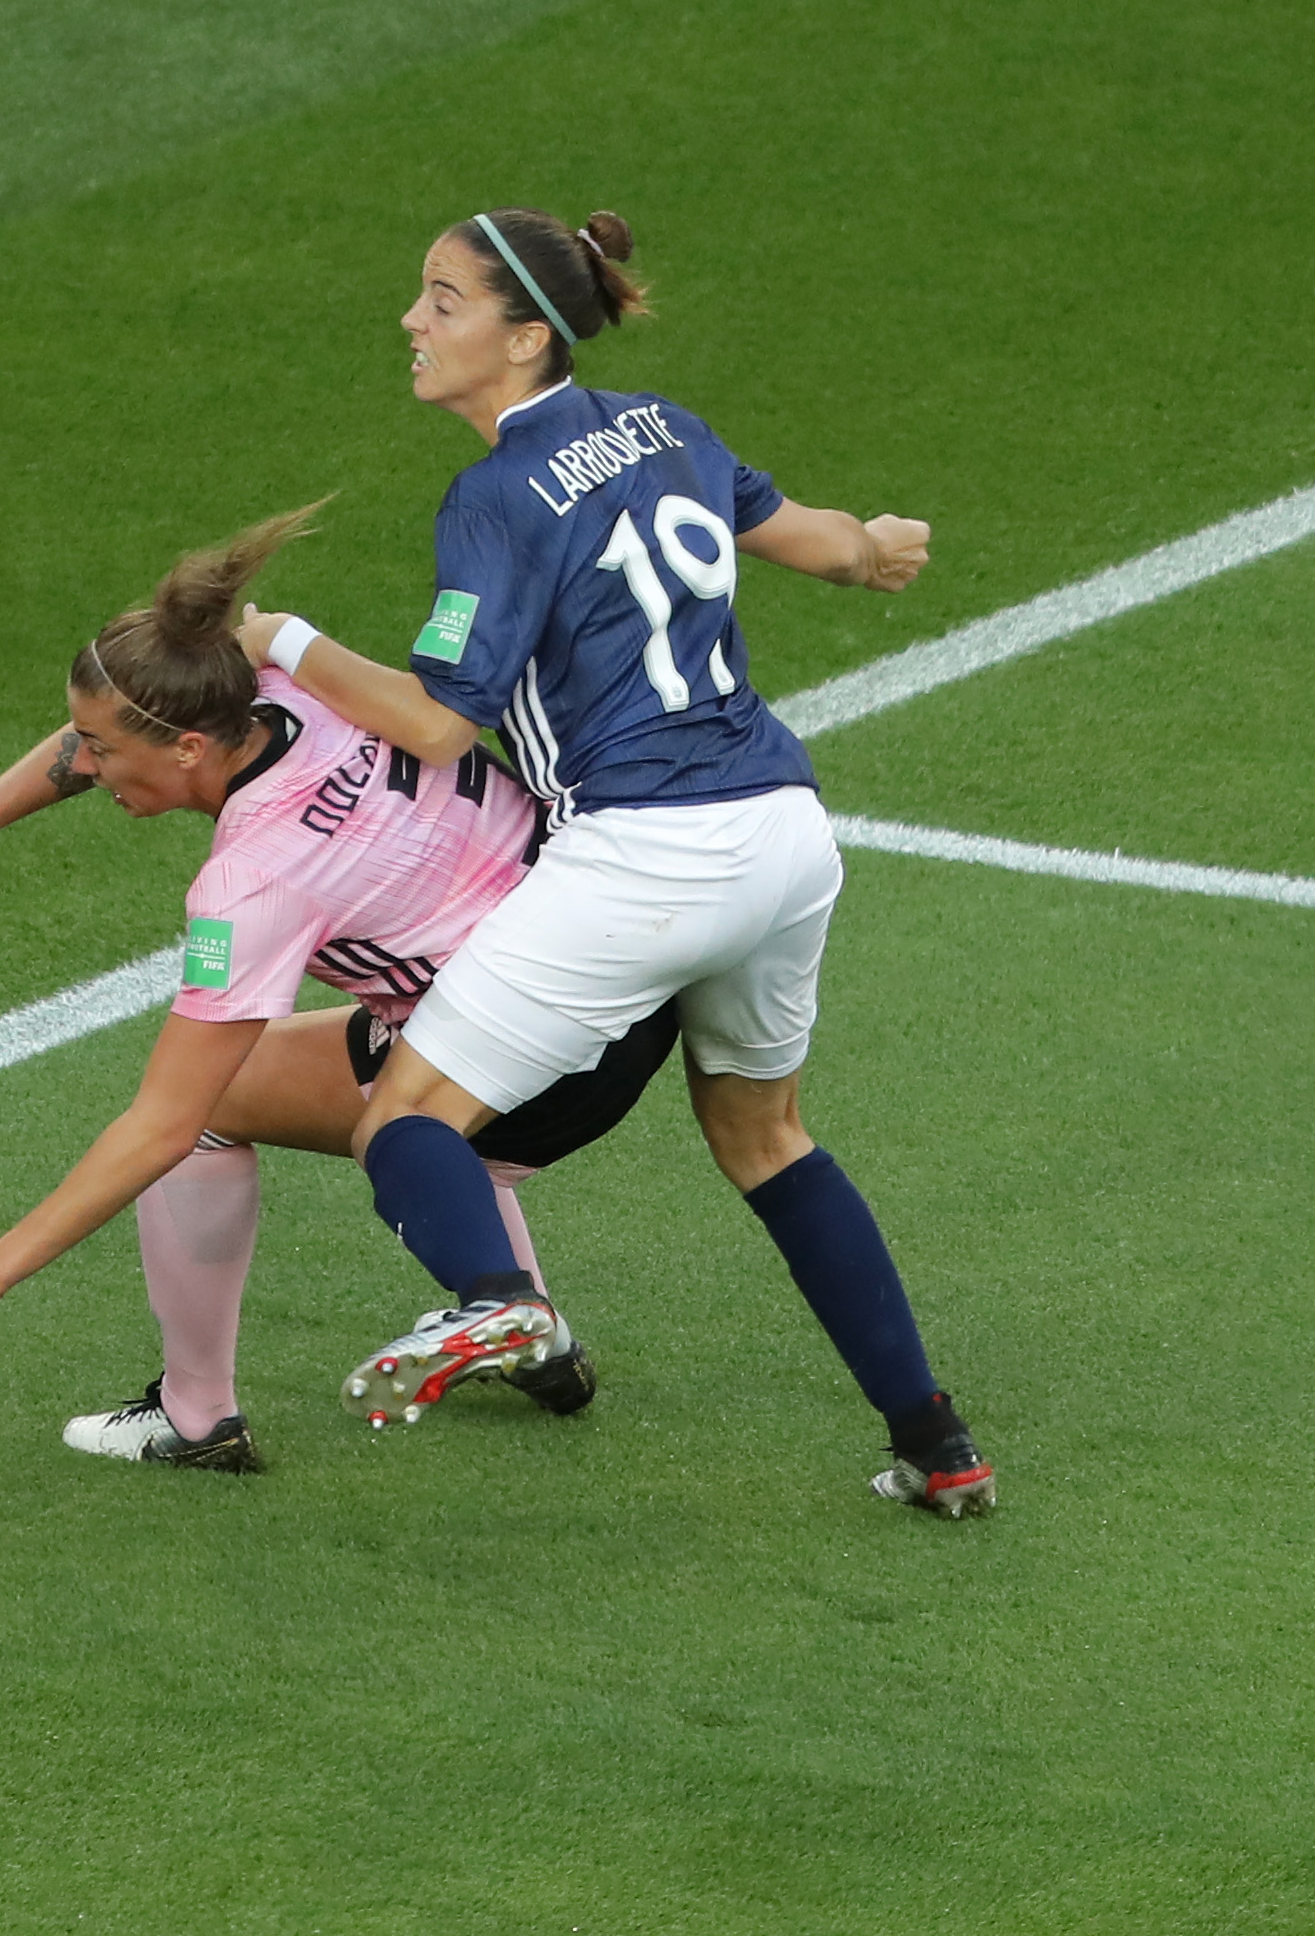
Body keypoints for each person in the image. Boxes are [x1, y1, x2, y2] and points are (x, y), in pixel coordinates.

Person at [243, 208, 992, 1515]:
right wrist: (878, 546)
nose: (410, 323)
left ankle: (498, 1308)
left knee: (407, 1122)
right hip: (782, 831)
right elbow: (822, 545)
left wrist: (283, 640)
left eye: (440, 302)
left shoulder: (491, 495)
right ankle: (936, 1445)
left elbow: (434, 721)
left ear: (523, 337)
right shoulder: (667, 427)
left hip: (644, 851)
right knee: (766, 1140)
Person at [0, 507, 684, 1468]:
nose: (85, 765)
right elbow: (127, 709)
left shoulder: (252, 884)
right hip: (630, 987)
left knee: (212, 1111)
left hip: (536, 1060)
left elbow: (161, 1122)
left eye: (103, 751)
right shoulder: (286, 683)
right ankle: (529, 1334)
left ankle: (196, 1416)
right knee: (403, 1063)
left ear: (190, 749)